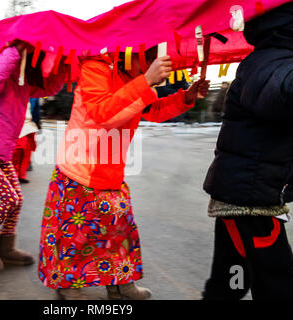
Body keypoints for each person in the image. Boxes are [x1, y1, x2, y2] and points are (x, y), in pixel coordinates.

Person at [38, 48, 210, 300]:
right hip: (78, 171)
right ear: (135, 53)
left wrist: (187, 96)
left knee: (119, 233)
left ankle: (120, 284)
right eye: (152, 57)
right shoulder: (96, 67)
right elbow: (100, 112)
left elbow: (153, 110)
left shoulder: (135, 80)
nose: (158, 64)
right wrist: (146, 80)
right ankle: (68, 285)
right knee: (75, 237)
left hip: (110, 173)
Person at [202, 1, 293, 300]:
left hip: (245, 194)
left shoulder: (281, 60)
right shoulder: (272, 62)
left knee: (232, 278)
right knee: (278, 280)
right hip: (250, 200)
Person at [0, 41, 66, 272]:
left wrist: (61, 68)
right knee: (10, 199)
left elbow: (47, 88)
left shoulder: (23, 83)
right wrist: (15, 50)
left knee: (17, 200)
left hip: (2, 153)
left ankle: (6, 248)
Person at [12, 100, 39, 184]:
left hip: (27, 126)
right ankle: (15, 175)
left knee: (25, 152)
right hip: (16, 126)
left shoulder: (32, 96)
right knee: (18, 152)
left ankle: (20, 175)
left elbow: (35, 111)